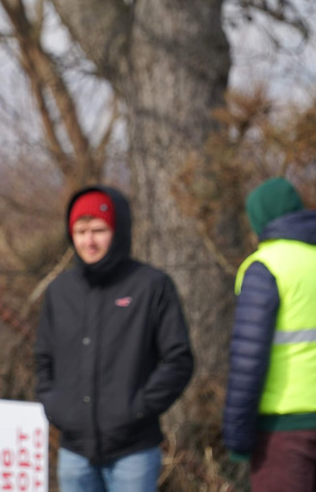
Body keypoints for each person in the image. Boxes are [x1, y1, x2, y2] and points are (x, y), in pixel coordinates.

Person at [34, 185, 195, 492]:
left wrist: (138, 408)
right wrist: (56, 407)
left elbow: (179, 360)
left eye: (99, 230)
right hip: (74, 452)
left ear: (118, 231)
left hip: (134, 452)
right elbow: (44, 358)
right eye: (81, 231)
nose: (89, 241)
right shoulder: (60, 291)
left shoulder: (152, 286)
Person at [222, 177, 316, 492]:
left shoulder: (266, 267)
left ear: (260, 220)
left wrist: (239, 436)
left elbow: (249, 360)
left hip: (284, 429)